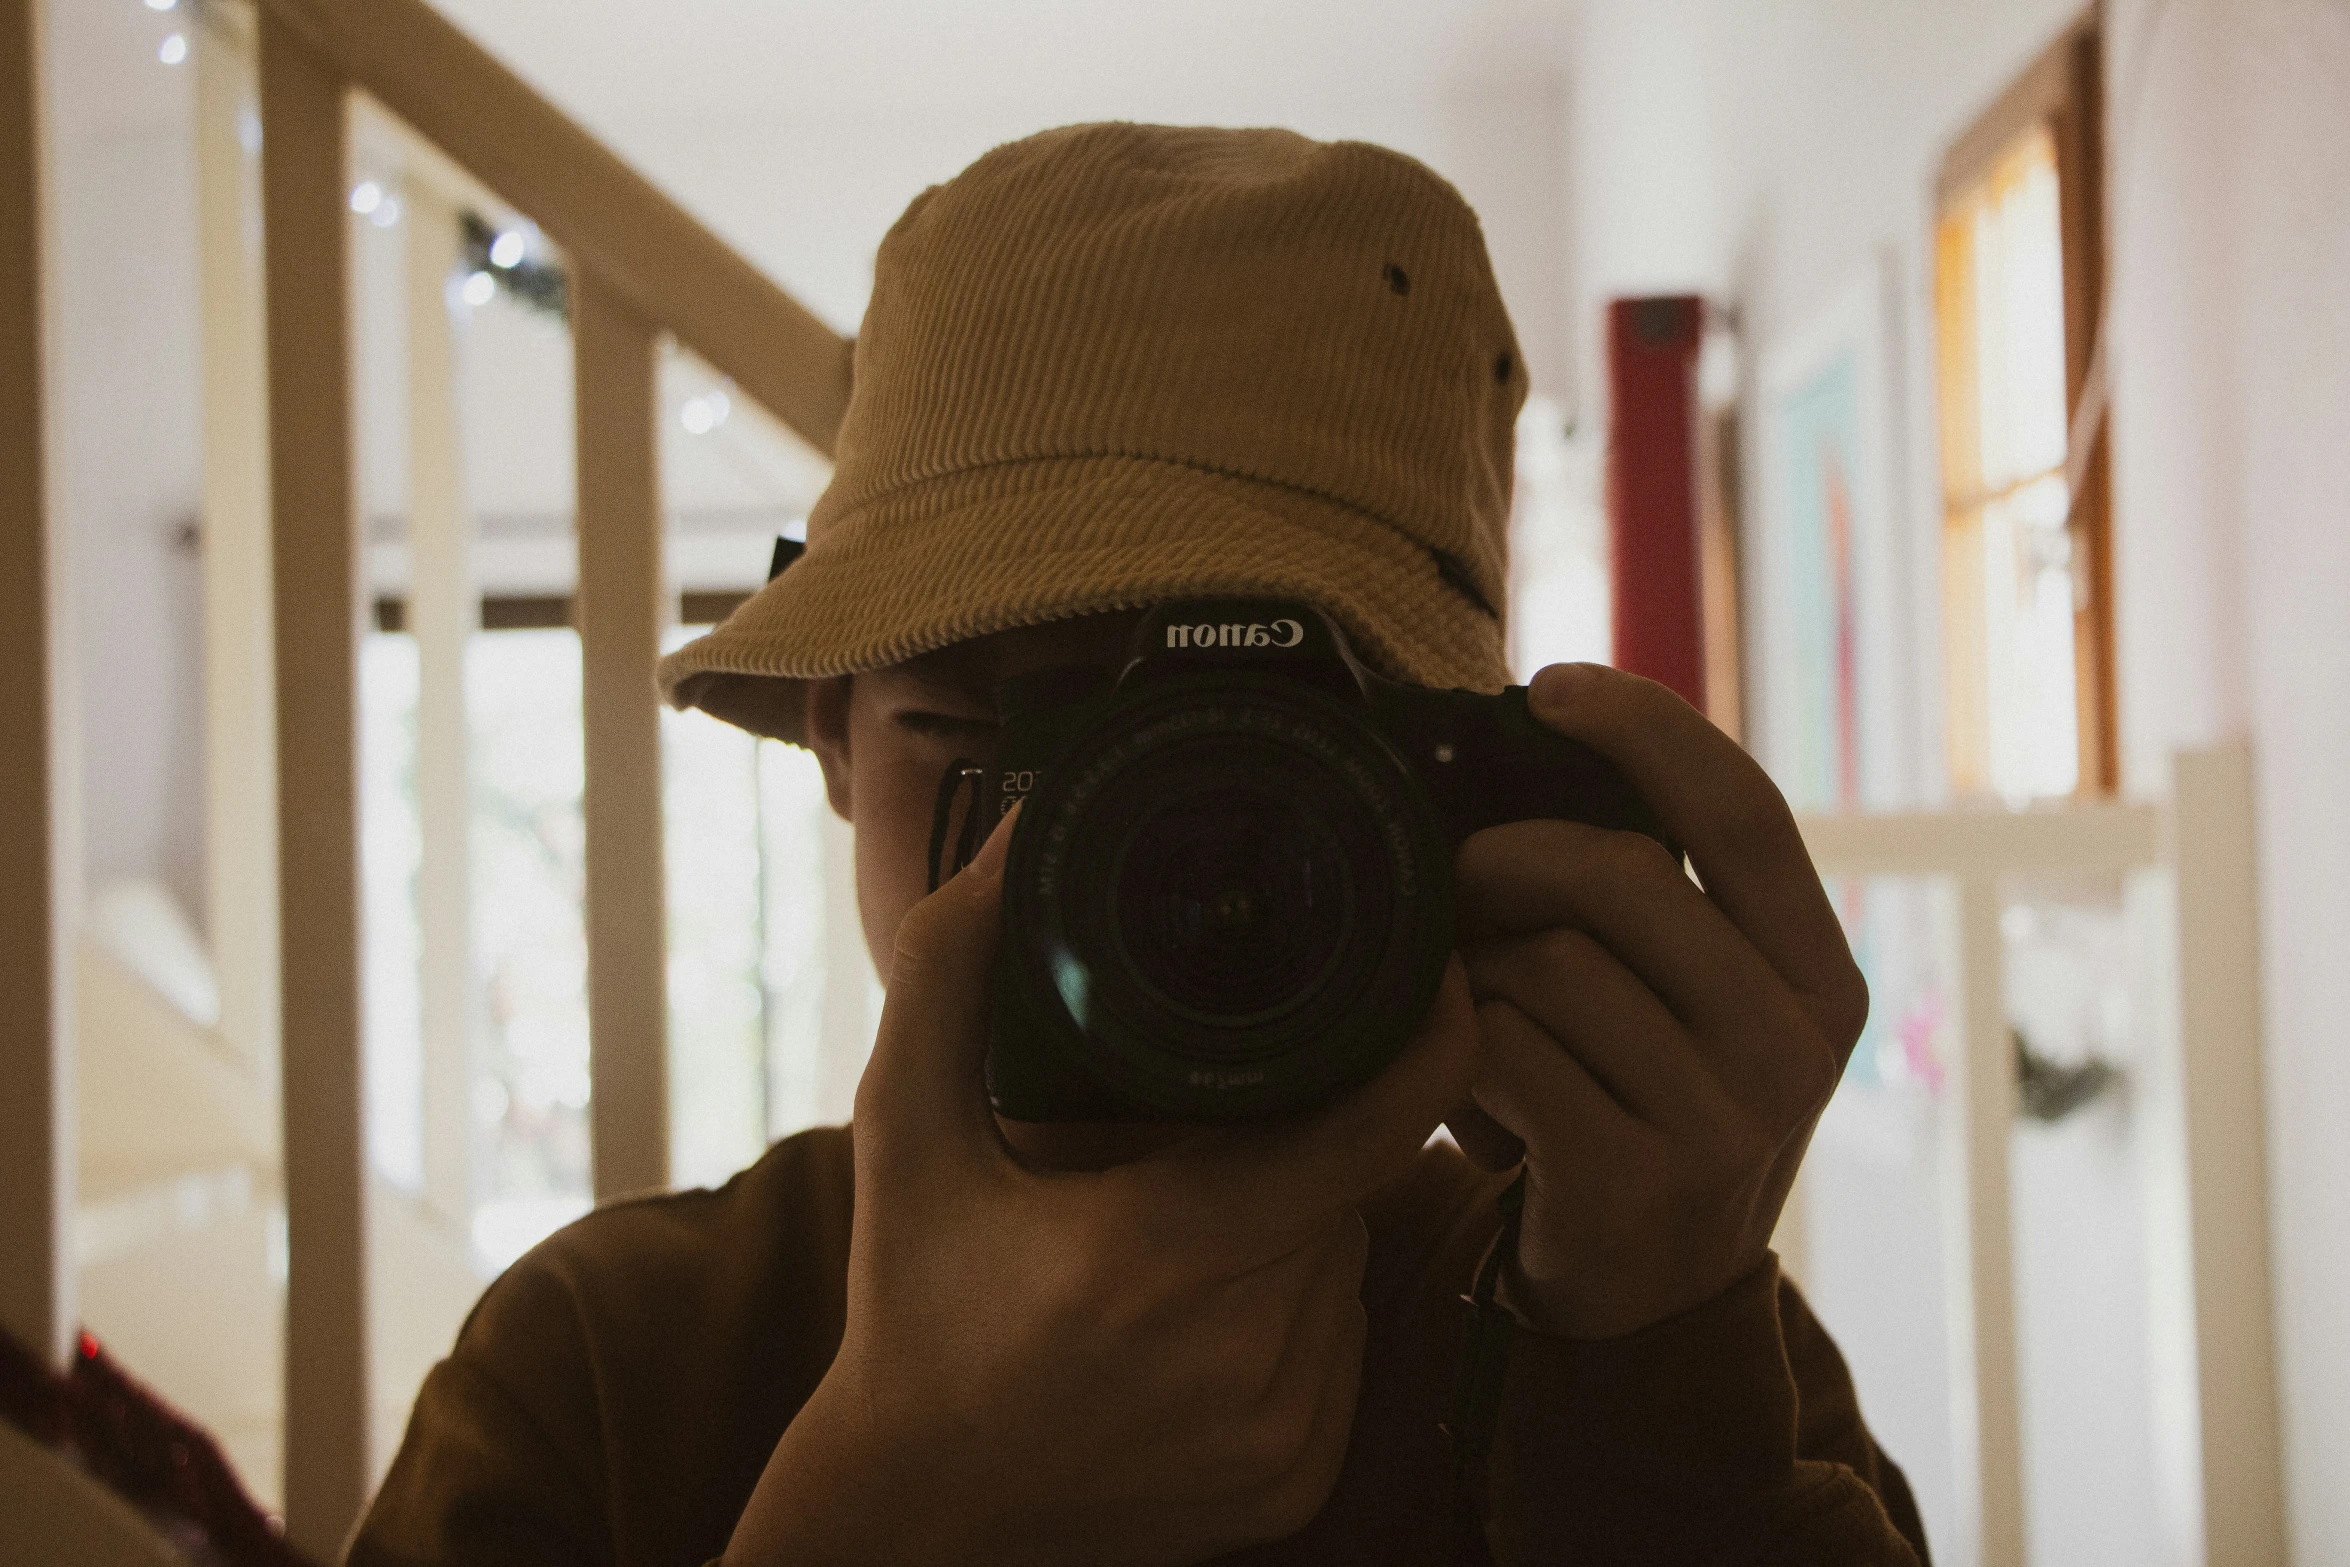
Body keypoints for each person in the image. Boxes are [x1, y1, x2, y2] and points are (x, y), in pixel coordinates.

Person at [351, 123, 1929, 1567]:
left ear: (1451, 791)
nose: (1125, 850)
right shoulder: (606, 1366)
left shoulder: (1652, 1301)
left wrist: (1649, 1385)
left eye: (1252, 745)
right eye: (998, 730)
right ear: (835, 737)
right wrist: (881, 1509)